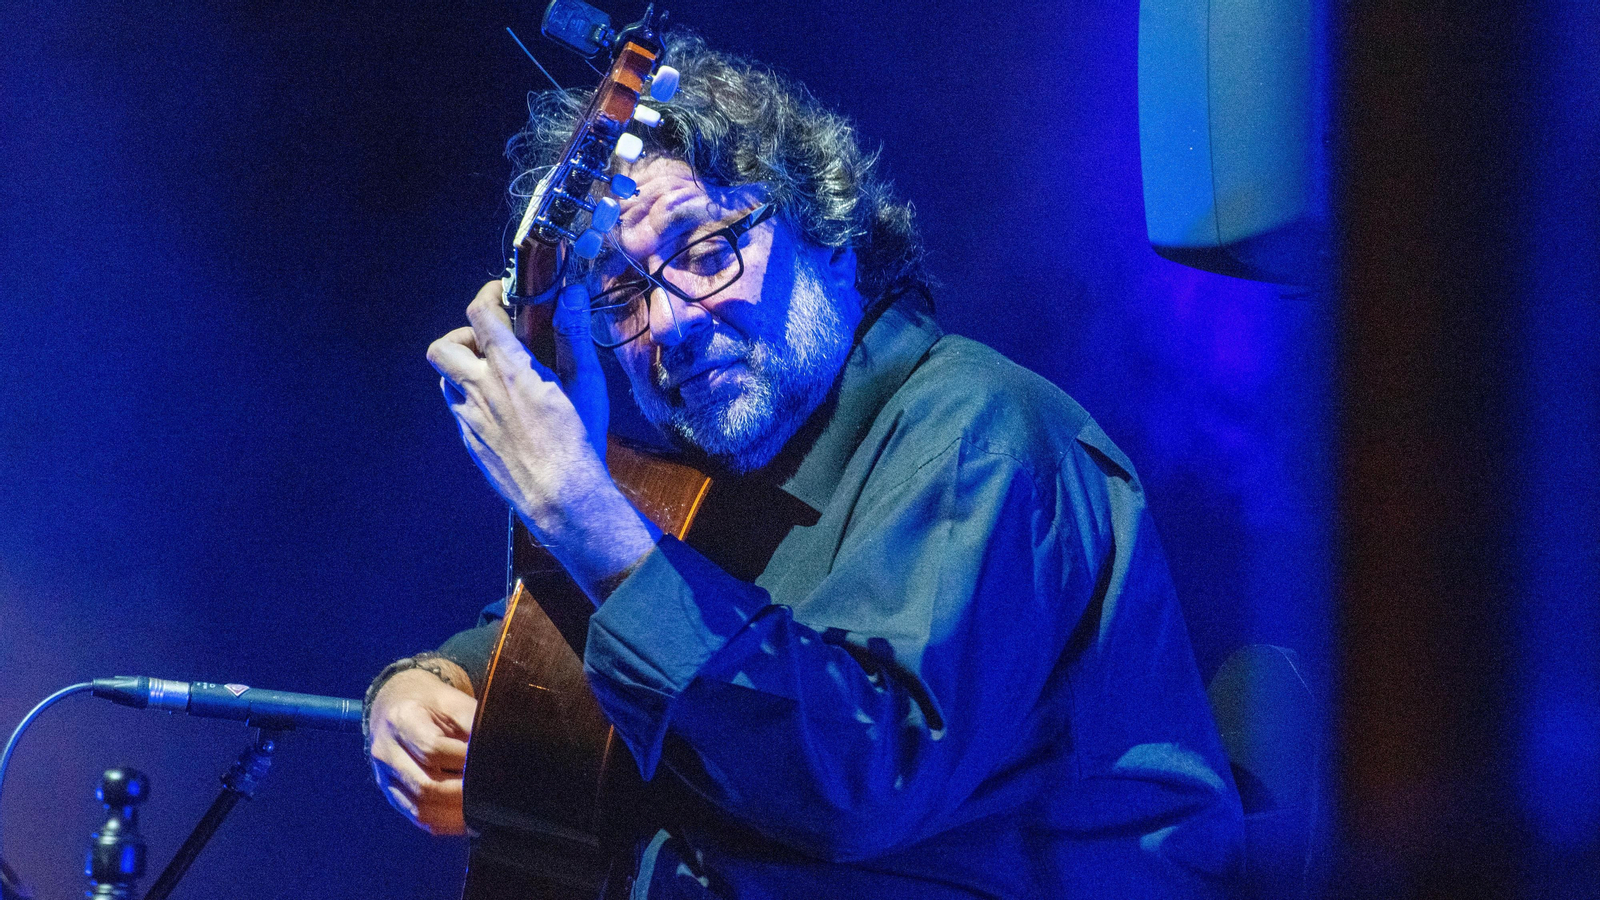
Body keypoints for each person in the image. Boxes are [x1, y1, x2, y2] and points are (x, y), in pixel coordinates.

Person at [365, 33, 1243, 899]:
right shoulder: (721, 476)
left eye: (707, 252)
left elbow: (859, 783)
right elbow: (565, 641)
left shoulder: (979, 434)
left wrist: (584, 514)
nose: (668, 323)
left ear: (831, 235)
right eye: (622, 295)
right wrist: (423, 686)